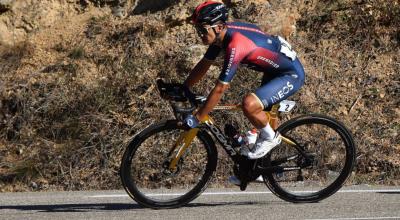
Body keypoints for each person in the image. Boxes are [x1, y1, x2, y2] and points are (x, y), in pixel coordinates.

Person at [182, 1, 305, 184]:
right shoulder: (221, 36)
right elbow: (203, 65)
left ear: (220, 27)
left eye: (203, 29)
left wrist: (199, 116)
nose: (200, 34)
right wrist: (184, 87)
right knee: (254, 123)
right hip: (274, 70)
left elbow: (221, 88)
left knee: (249, 104)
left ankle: (271, 138)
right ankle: (256, 171)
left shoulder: (236, 44)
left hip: (290, 74)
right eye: (198, 29)